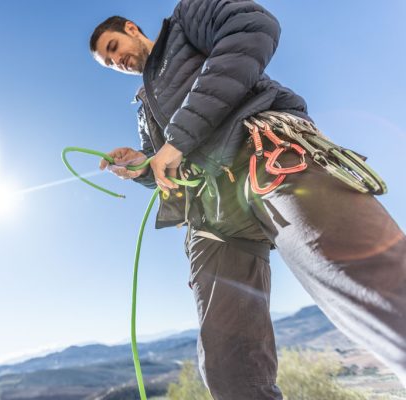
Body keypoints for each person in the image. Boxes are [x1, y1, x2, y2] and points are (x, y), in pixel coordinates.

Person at [89, 1, 406, 399]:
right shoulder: (144, 106)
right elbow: (166, 163)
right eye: (107, 62)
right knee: (226, 366)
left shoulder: (187, 22)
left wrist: (178, 139)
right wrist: (142, 165)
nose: (116, 61)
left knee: (367, 281)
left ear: (133, 29)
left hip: (265, 154)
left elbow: (253, 28)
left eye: (114, 47)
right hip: (212, 212)